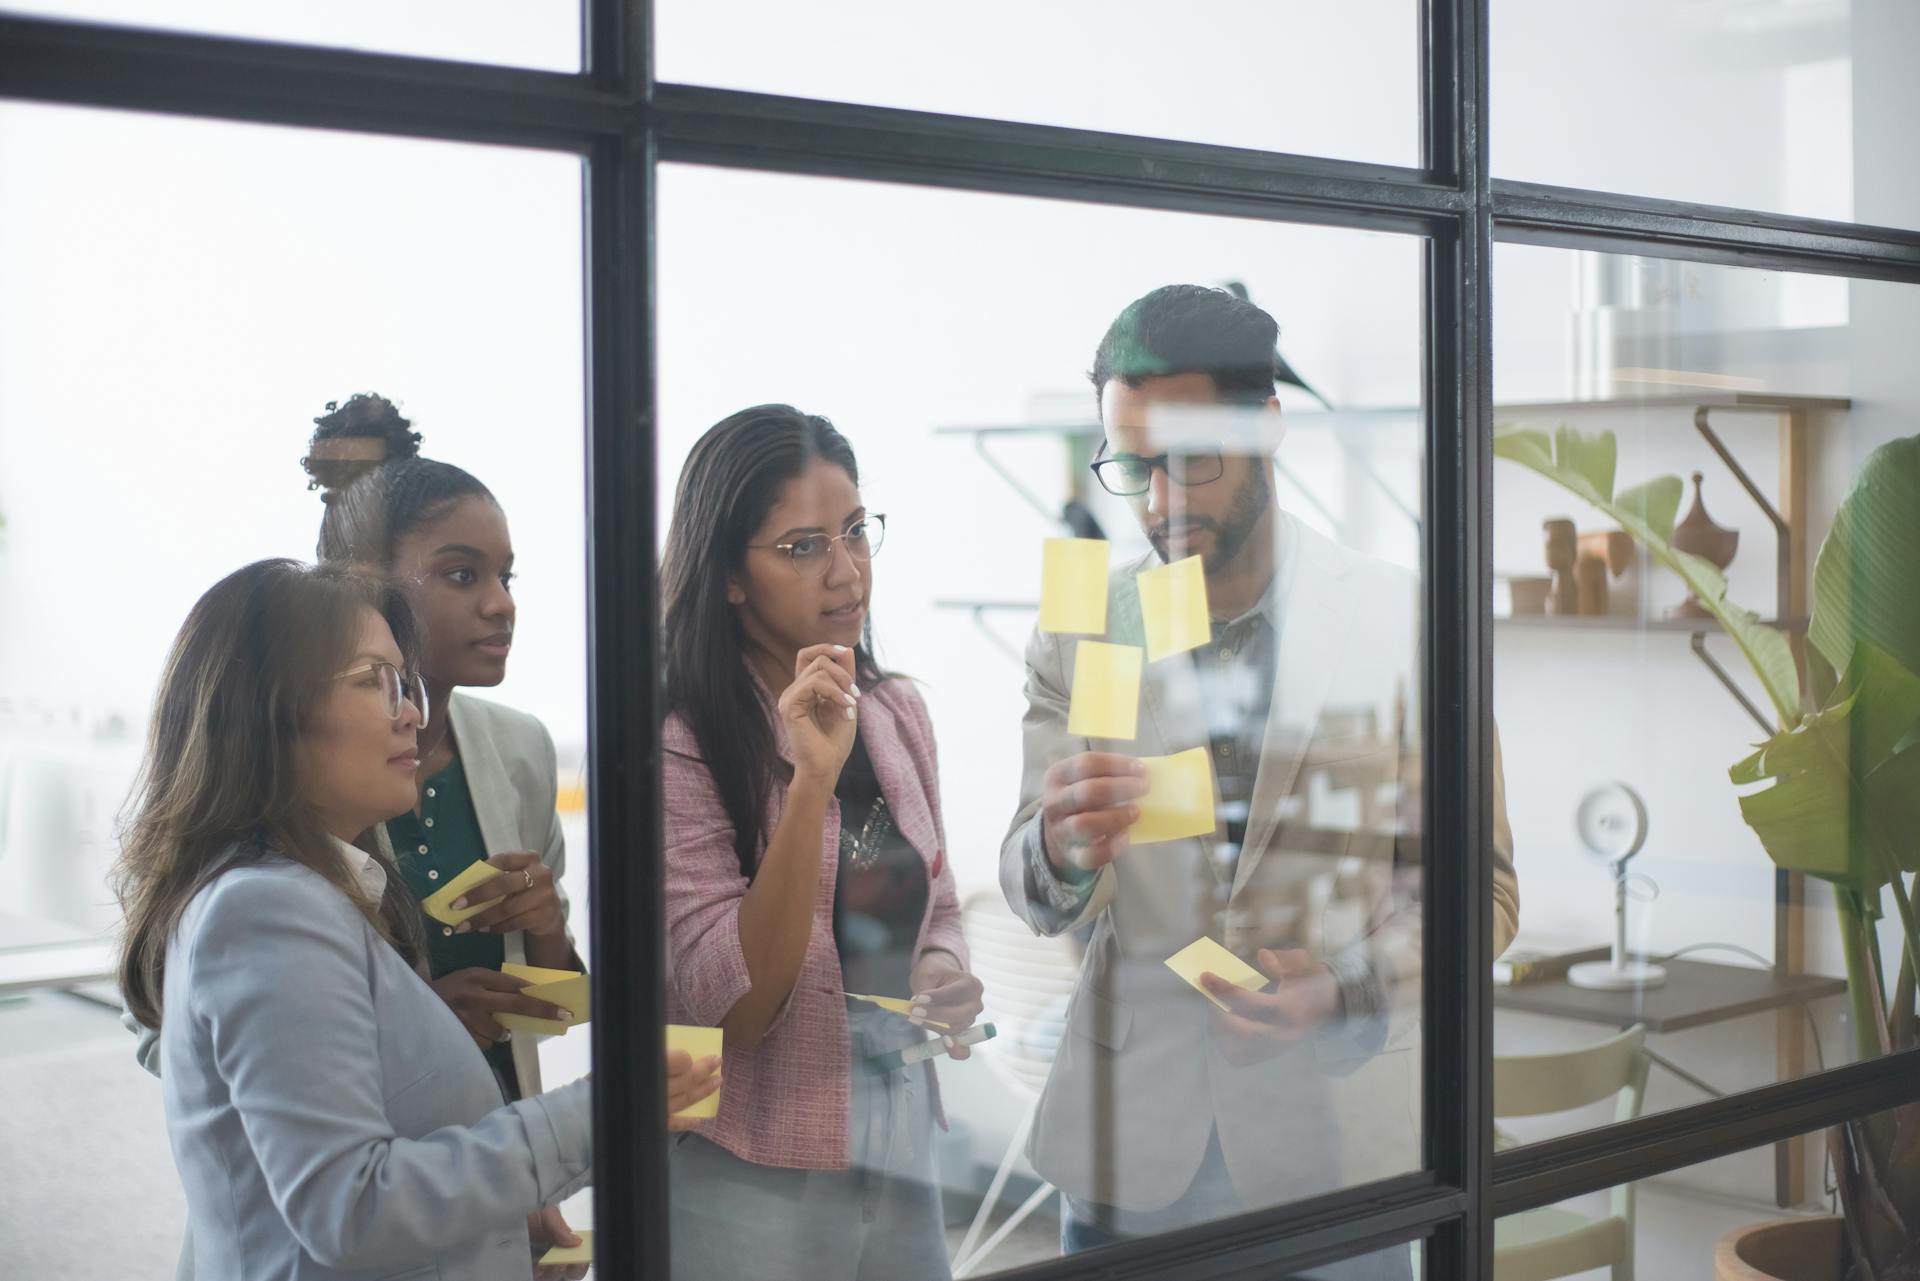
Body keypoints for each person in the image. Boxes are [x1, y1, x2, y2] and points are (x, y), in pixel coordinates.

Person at [999, 285, 1520, 1274]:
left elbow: (1480, 893)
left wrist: (1343, 985)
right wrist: (1060, 851)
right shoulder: (1084, 623)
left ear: (1268, 429)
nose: (1159, 502)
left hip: (1333, 1163)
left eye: (1192, 460)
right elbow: (1033, 885)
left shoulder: (1404, 620)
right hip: (1127, 1167)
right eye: (1133, 466)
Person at [112, 559, 691, 1281]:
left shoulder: (310, 893)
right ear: (271, 714)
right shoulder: (265, 910)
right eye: (371, 680)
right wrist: (604, 1110)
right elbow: (349, 1210)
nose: (410, 711)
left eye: (403, 682)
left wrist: (500, 1218)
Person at [659, 404, 983, 1281]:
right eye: (802, 547)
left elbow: (939, 904)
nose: (846, 574)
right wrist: (809, 781)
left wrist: (940, 975)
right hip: (749, 1153)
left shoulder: (895, 709)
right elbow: (737, 1006)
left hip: (898, 1127)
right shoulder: (678, 739)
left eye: (854, 532)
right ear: (728, 573)